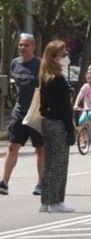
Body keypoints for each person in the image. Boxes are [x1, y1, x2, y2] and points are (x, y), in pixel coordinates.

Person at [1, 33, 45, 196]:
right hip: (20, 110)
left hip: (37, 111)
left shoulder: (40, 65)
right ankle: (4, 183)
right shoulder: (15, 64)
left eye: (26, 45)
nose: (22, 48)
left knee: (40, 149)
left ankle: (41, 183)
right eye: (20, 45)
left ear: (33, 47)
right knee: (13, 146)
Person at [37, 40, 76, 213]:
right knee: (59, 163)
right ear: (53, 57)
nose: (66, 56)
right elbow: (65, 108)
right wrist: (70, 129)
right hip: (57, 123)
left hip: (47, 122)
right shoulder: (57, 80)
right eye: (63, 54)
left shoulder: (46, 76)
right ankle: (55, 201)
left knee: (50, 163)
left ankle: (46, 201)